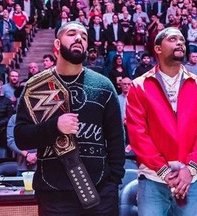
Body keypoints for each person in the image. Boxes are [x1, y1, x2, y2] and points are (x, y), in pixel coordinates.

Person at [14, 21, 125, 215]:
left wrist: (113, 180)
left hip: (101, 193)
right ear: (57, 44)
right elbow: (21, 137)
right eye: (72, 34)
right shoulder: (35, 86)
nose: (79, 39)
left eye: (83, 37)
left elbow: (116, 137)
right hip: (54, 193)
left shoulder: (104, 86)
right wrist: (54, 126)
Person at [126, 27, 197, 216]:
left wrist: (190, 169)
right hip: (152, 178)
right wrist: (164, 172)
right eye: (173, 39)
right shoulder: (139, 86)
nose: (180, 42)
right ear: (158, 48)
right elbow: (138, 134)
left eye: (182, 39)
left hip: (191, 178)